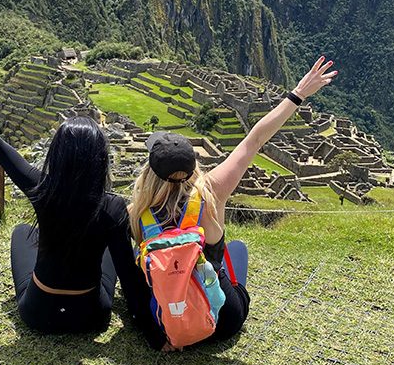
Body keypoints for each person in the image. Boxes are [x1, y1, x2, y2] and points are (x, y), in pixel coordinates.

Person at [0, 71, 164, 346]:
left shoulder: (41, 187)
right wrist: (156, 335)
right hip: (90, 317)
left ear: (57, 153)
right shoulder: (113, 207)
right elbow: (129, 280)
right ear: (100, 159)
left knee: (21, 232)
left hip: (39, 313)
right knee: (119, 252)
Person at [127, 55, 338, 349]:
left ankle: (180, 321)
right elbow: (254, 140)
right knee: (236, 249)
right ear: (192, 166)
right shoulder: (210, 190)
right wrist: (298, 93)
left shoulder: (138, 212)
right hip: (223, 318)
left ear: (149, 172)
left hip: (171, 322)